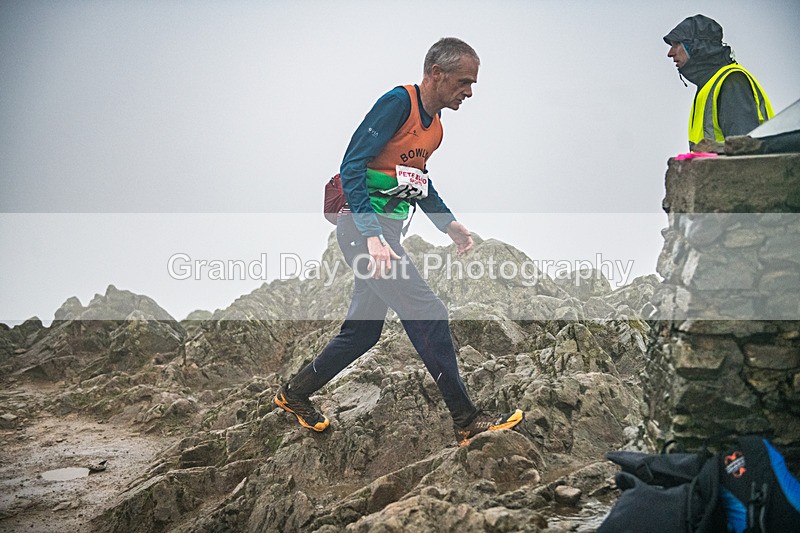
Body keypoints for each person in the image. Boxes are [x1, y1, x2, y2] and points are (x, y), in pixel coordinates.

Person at [274, 37, 524, 446]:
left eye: (472, 84)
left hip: (383, 233)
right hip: (362, 229)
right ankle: (466, 420)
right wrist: (372, 236)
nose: (469, 92)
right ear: (436, 73)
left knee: (362, 333)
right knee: (429, 312)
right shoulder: (397, 103)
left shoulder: (435, 128)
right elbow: (351, 165)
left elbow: (417, 180)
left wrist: (448, 224)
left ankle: (294, 394)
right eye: (464, 82)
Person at [664, 14, 774, 150]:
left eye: (676, 45)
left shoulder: (732, 82)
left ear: (696, 47)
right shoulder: (709, 86)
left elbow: (743, 153)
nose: (670, 53)